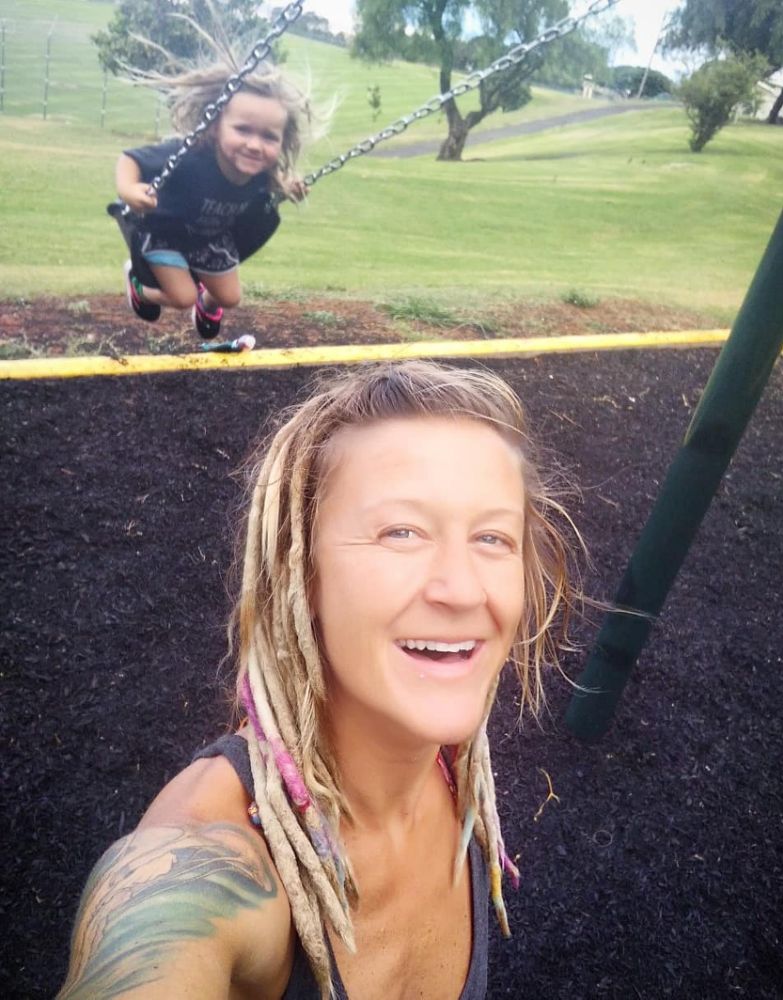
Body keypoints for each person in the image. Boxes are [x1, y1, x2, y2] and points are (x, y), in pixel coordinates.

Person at [58, 360, 580, 999]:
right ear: (300, 573)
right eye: (401, 532)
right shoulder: (205, 865)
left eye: (492, 537)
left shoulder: (455, 781)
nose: (463, 588)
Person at [115, 59, 311, 341]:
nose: (254, 145)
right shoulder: (191, 154)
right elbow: (130, 158)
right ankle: (139, 285)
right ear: (216, 124)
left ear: (283, 140)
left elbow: (270, 189)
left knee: (230, 297)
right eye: (243, 130)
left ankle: (205, 309)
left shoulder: (261, 172)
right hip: (165, 232)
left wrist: (289, 189)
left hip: (210, 239)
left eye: (269, 136)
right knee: (183, 297)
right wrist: (129, 190)